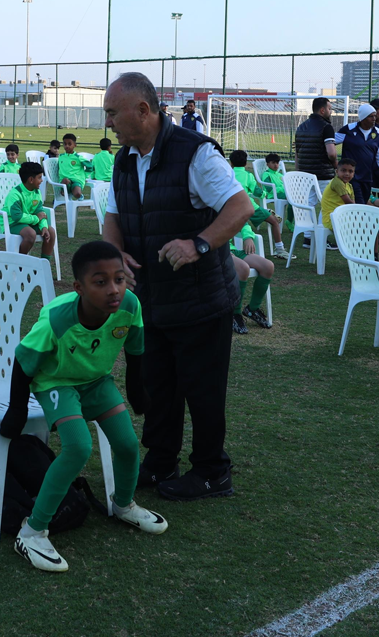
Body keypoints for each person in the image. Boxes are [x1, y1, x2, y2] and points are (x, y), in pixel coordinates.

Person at [100, 72, 252, 501]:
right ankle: (160, 459)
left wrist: (199, 244)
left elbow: (241, 207)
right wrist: (115, 255)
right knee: (157, 385)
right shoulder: (125, 158)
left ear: (143, 111)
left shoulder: (197, 154)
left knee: (202, 390)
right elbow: (114, 215)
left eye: (113, 112)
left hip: (201, 300)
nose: (108, 121)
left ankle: (211, 471)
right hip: (153, 299)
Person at [0, 240, 166, 573]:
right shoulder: (57, 321)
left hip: (96, 380)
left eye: (119, 279)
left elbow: (135, 352)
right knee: (78, 448)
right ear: (79, 287)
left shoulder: (130, 306)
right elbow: (23, 363)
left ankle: (123, 505)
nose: (113, 289)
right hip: (56, 382)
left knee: (128, 444)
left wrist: (136, 391)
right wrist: (16, 411)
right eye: (100, 282)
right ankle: (31, 531)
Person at [228, 149, 285, 257]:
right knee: (274, 222)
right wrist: (263, 193)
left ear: (231, 163)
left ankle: (231, 249)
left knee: (232, 227)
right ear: (245, 163)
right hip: (248, 206)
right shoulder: (248, 175)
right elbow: (256, 191)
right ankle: (279, 249)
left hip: (229, 208)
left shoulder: (227, 174)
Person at [337, 103, 379, 202]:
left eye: (375, 116)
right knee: (359, 204)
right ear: (363, 118)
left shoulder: (378, 133)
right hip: (351, 177)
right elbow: (331, 142)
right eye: (371, 116)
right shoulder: (348, 130)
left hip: (367, 176)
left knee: (365, 202)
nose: (374, 118)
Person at [293, 96, 337, 183]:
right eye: (329, 109)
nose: (331, 112)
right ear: (322, 110)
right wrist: (336, 165)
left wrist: (298, 171)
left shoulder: (300, 127)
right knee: (324, 197)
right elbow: (331, 153)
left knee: (309, 197)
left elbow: (297, 154)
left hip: (304, 176)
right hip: (323, 176)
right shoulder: (326, 127)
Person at [57, 134, 87, 199]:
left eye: (69, 144)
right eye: (65, 144)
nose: (67, 146)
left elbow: (90, 167)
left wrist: (85, 176)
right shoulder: (61, 156)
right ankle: (66, 189)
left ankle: (77, 194)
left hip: (77, 180)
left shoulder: (78, 157)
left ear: (75, 145)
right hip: (65, 180)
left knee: (77, 193)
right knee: (65, 181)